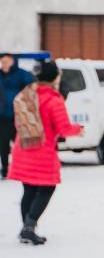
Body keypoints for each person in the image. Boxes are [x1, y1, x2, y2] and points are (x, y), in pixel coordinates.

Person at [8, 59, 83, 244]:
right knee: (47, 187)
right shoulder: (53, 99)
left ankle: (26, 228)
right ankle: (28, 227)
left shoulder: (27, 93)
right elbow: (63, 128)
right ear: (54, 77)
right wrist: (78, 129)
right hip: (42, 151)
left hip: (23, 146)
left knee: (29, 188)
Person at [0, 53, 33, 178]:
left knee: (21, 143)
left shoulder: (22, 74)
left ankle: (23, 168)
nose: (4, 64)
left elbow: (30, 88)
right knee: (3, 144)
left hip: (19, 115)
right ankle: (5, 169)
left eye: (7, 61)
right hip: (3, 116)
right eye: (2, 62)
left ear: (13, 62)